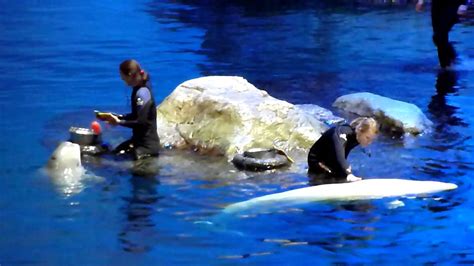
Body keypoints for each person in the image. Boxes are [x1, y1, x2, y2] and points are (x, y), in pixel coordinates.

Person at [97, 59, 160, 160]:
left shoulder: (142, 93)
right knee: (113, 154)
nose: (123, 80)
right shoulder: (137, 89)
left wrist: (119, 122)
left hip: (146, 148)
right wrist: (116, 116)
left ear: (130, 75)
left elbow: (141, 122)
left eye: (123, 77)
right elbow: (135, 115)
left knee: (113, 160)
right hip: (137, 142)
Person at [307, 117, 378, 184]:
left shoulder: (357, 136)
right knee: (334, 178)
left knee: (341, 175)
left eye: (372, 139)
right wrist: (348, 173)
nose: (369, 142)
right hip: (317, 161)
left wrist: (345, 168)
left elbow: (343, 153)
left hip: (331, 158)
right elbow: (339, 154)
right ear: (359, 130)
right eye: (367, 138)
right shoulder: (342, 134)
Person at [416, 0, 469, 69]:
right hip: (437, 6)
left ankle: (446, 65)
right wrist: (421, 1)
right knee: (437, 38)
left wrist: (463, 3)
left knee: (439, 36)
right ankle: (452, 58)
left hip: (452, 5)